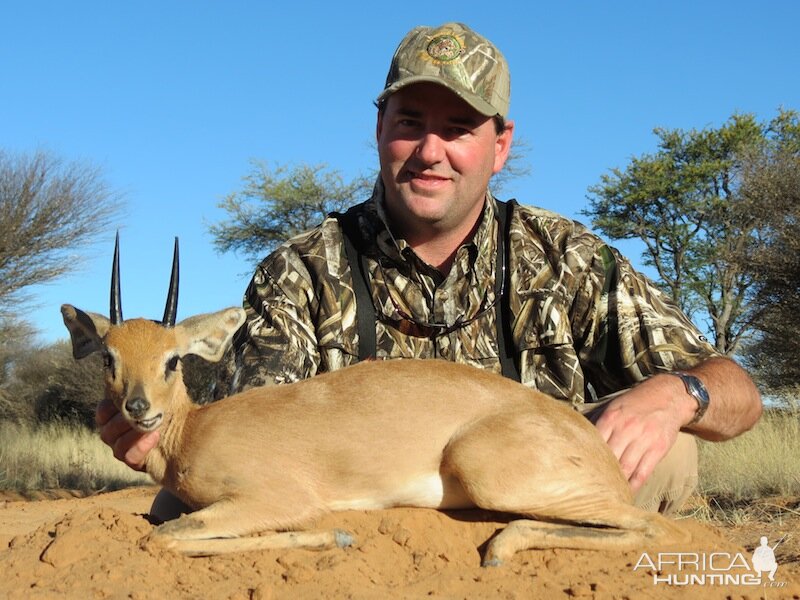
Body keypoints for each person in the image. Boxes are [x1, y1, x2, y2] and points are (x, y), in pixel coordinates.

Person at [97, 22, 762, 518]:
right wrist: (156, 446)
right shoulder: (300, 272)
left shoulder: (566, 258)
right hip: (368, 508)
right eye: (410, 121)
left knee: (670, 447)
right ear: (379, 124)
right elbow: (253, 442)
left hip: (530, 494)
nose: (431, 151)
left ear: (500, 145)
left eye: (460, 128)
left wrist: (681, 395)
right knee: (186, 499)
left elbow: (738, 393)